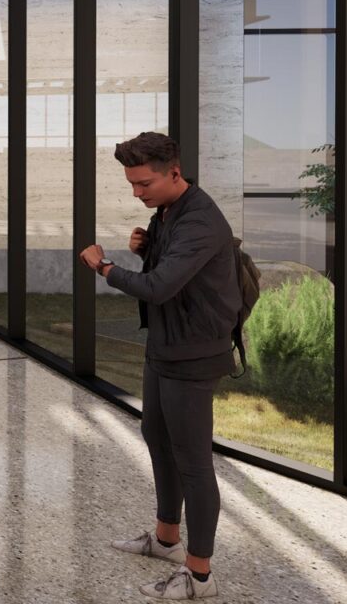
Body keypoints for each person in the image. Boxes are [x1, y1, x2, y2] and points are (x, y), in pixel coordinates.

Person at [79, 132, 240, 601]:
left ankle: (200, 576)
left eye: (144, 183)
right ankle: (167, 540)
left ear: (175, 172)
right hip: (165, 346)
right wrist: (144, 249)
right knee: (157, 437)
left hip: (193, 355)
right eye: (131, 183)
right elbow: (167, 268)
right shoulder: (168, 210)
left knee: (193, 461)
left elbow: (159, 288)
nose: (137, 192)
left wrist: (105, 267)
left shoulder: (202, 220)